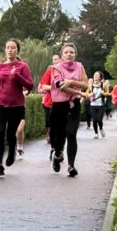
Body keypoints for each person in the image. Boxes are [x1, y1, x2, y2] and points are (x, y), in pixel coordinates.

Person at [0, 38, 33, 176]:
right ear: (5, 50)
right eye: (8, 47)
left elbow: (30, 85)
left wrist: (17, 75)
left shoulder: (23, 66)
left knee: (11, 134)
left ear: (17, 50)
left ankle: (12, 151)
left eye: (13, 47)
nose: (10, 50)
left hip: (16, 105)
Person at [48, 42, 89, 178]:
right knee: (58, 136)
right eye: (66, 52)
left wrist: (72, 82)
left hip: (74, 104)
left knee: (71, 133)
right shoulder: (56, 68)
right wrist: (80, 92)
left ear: (75, 54)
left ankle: (71, 166)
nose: (69, 54)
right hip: (59, 105)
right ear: (62, 55)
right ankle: (57, 154)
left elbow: (85, 84)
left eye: (71, 52)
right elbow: (61, 86)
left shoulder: (79, 66)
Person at [37, 53, 60, 147]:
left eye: (56, 59)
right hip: (48, 101)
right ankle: (50, 135)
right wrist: (52, 88)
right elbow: (41, 88)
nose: (54, 61)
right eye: (53, 60)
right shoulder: (49, 72)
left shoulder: (64, 71)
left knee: (57, 121)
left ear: (61, 60)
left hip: (60, 101)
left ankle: (56, 137)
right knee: (49, 120)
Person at [88, 71, 106, 138]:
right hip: (93, 105)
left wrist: (103, 93)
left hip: (101, 105)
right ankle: (96, 133)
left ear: (100, 77)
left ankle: (101, 129)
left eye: (97, 75)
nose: (95, 76)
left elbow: (108, 93)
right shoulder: (90, 85)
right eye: (94, 74)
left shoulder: (103, 85)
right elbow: (86, 94)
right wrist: (90, 94)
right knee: (94, 120)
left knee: (99, 120)